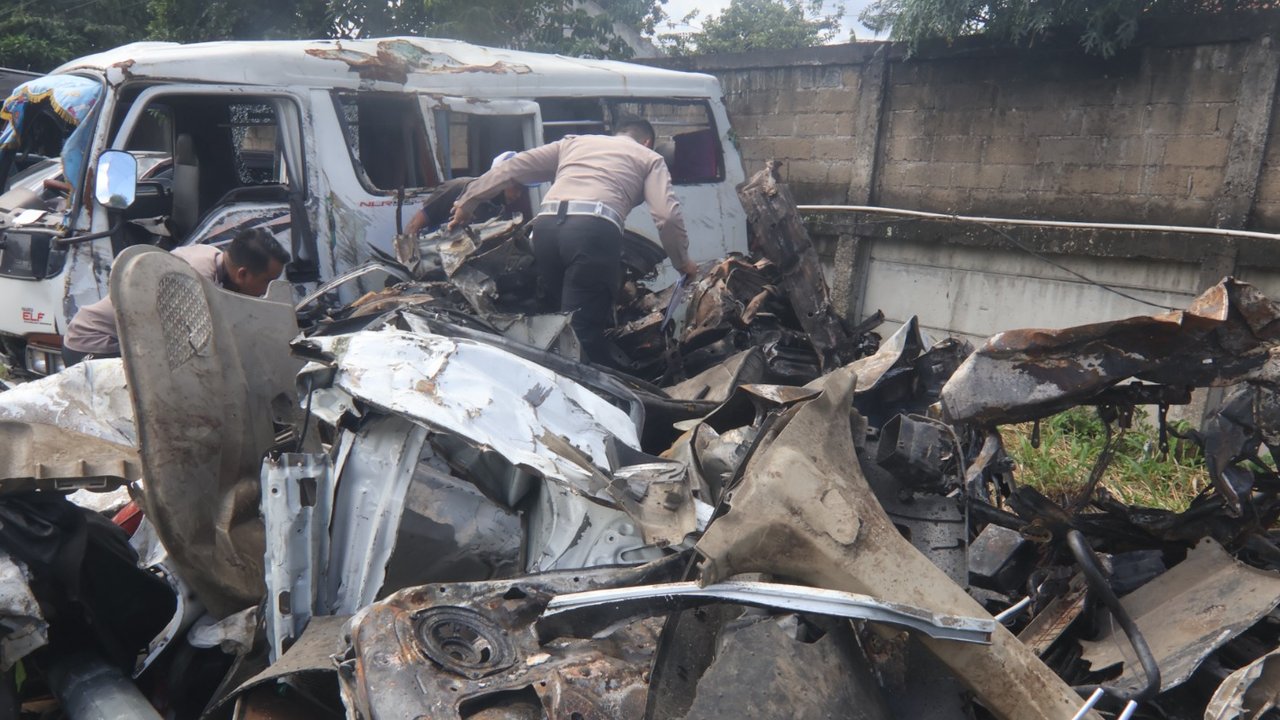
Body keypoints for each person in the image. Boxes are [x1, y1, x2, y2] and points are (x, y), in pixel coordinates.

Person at [448, 117, 697, 365]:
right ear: (647, 141)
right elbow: (666, 216)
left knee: (556, 319)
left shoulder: (574, 143)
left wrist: (467, 202)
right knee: (581, 333)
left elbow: (512, 167)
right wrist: (682, 262)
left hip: (545, 229)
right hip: (593, 232)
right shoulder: (648, 157)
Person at [61, 226, 290, 366]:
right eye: (266, 282)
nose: (265, 291)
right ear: (243, 273)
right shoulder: (196, 278)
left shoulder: (216, 258)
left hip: (129, 340)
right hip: (95, 343)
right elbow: (198, 347)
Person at [403, 151, 531, 235]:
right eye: (516, 187)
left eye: (522, 190)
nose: (518, 194)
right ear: (500, 178)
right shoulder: (457, 188)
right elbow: (414, 225)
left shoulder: (498, 210)